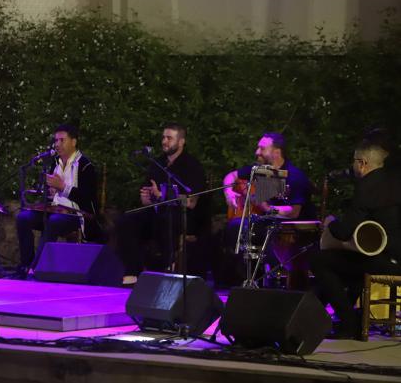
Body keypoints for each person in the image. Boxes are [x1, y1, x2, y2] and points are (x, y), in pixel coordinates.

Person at [310, 139, 401, 339]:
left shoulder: (367, 187)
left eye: (354, 161)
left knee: (319, 260)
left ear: (362, 163)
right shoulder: (394, 182)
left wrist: (330, 222)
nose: (353, 166)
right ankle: (351, 320)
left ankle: (348, 323)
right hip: (395, 257)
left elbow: (344, 232)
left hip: (384, 260)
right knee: (351, 266)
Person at [117, 123, 209, 285]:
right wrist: (147, 197)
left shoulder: (192, 165)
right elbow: (148, 194)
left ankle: (168, 268)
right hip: (156, 212)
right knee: (126, 221)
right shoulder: (157, 163)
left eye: (169, 138)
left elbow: (191, 202)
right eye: (163, 137)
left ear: (181, 142)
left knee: (167, 220)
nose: (164, 141)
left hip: (182, 216)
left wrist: (162, 196)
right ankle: (133, 271)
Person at [218, 132, 315, 286]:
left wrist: (267, 207)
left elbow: (294, 212)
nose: (257, 152)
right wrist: (229, 193)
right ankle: (237, 282)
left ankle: (264, 280)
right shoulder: (260, 170)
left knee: (249, 232)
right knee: (233, 227)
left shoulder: (294, 176)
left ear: (276, 152)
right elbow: (231, 176)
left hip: (292, 229)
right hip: (268, 222)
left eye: (262, 148)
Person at [16, 124, 98, 278]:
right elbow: (51, 193)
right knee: (23, 218)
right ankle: (26, 264)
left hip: (75, 214)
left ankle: (37, 268)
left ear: (74, 142)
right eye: (56, 140)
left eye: (62, 140)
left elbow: (87, 198)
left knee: (53, 221)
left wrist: (62, 187)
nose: (57, 144)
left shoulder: (86, 165)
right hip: (54, 210)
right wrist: (50, 191)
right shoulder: (54, 163)